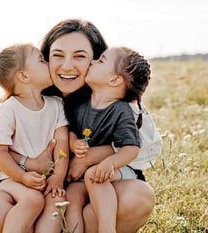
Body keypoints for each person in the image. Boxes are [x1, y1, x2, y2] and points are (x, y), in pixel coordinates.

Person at [0, 19, 155, 233]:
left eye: (80, 56)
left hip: (88, 201)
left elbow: (145, 148)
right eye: (58, 55)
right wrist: (29, 163)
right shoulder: (22, 101)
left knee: (138, 195)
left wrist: (88, 157)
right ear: (44, 58)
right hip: (32, 198)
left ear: (95, 60)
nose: (67, 66)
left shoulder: (115, 102)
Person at [64, 46, 151, 233]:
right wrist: (73, 143)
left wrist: (110, 163)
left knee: (94, 176)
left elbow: (131, 148)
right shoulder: (80, 103)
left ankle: (107, 228)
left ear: (114, 80)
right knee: (71, 198)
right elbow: (70, 130)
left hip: (115, 172)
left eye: (101, 60)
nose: (92, 62)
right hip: (80, 179)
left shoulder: (120, 110)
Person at [0, 43, 69, 233]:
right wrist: (21, 177)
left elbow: (62, 144)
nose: (48, 63)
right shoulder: (8, 110)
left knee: (57, 199)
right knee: (32, 199)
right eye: (41, 60)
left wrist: (58, 177)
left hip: (45, 179)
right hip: (11, 177)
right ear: (24, 76)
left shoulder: (56, 105)